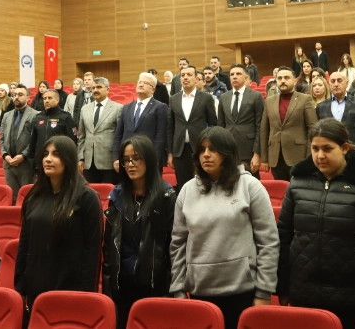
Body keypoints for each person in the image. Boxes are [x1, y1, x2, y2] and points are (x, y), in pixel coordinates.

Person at [170, 126, 279, 329]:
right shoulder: (187, 191)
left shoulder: (251, 186)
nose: (206, 154)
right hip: (199, 293)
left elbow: (269, 242)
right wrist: (177, 289)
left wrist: (264, 291)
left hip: (242, 292)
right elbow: (177, 244)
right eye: (202, 150)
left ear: (227, 153)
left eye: (213, 149)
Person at [276, 120, 355, 329]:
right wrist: (283, 286)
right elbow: (284, 236)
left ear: (345, 148)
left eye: (327, 149)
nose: (320, 156)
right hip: (304, 292)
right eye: (315, 149)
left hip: (352, 296)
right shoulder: (298, 183)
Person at [15, 137, 102, 309]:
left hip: (71, 294)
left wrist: (85, 296)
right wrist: (20, 286)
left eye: (55, 154)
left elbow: (92, 253)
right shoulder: (34, 197)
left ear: (68, 159)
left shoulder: (87, 197)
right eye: (45, 154)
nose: (48, 159)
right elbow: (25, 245)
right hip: (35, 291)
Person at [103, 136, 177, 329]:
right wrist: (109, 286)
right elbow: (109, 247)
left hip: (154, 284)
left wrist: (170, 287)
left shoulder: (166, 195)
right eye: (126, 160)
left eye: (136, 158)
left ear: (149, 159)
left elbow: (172, 245)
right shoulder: (116, 196)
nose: (131, 164)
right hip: (122, 285)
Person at [260, 67, 317, 181]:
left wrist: (309, 157)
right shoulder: (269, 101)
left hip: (298, 156)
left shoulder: (305, 99)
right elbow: (264, 130)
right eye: (279, 78)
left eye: (286, 78)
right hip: (276, 158)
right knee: (281, 189)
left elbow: (313, 128)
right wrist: (264, 158)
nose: (283, 81)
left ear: (295, 81)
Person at [167, 66, 218, 191]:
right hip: (180, 150)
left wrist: (211, 148)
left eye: (189, 75)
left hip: (200, 149)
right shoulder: (173, 99)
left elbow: (213, 125)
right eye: (182, 75)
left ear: (196, 79)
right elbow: (170, 128)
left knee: (202, 184)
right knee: (183, 187)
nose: (185, 77)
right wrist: (170, 153)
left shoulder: (206, 98)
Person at [113, 73, 168, 174]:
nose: (141, 85)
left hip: (148, 158)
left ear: (153, 89)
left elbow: (160, 137)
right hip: (127, 159)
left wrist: (155, 159)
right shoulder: (126, 107)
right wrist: (116, 157)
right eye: (140, 82)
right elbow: (118, 135)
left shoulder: (160, 107)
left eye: (146, 83)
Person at [217, 64, 264, 177]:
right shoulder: (224, 97)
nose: (234, 76)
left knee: (250, 184)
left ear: (246, 78)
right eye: (232, 74)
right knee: (228, 183)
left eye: (238, 74)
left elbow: (260, 127)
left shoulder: (256, 96)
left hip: (248, 150)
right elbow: (220, 126)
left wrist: (257, 154)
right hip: (228, 151)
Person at [77, 77, 122, 184]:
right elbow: (82, 136)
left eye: (99, 87)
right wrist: (81, 158)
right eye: (93, 88)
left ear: (108, 89)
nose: (95, 90)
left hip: (109, 161)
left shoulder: (118, 108)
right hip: (89, 162)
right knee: (90, 192)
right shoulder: (84, 109)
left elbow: (120, 136)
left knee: (110, 192)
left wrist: (117, 158)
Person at [0, 85, 38, 202]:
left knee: (28, 198)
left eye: (20, 95)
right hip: (9, 164)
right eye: (14, 95)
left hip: (26, 164)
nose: (16, 97)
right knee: (12, 199)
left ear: (28, 97)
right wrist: (5, 155)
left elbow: (35, 140)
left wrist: (23, 155)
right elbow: (1, 139)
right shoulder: (6, 115)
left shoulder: (36, 115)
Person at [316, 71, 355, 147]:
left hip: (353, 150)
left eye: (339, 81)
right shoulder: (321, 107)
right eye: (333, 81)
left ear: (346, 83)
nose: (336, 84)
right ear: (329, 85)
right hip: (329, 150)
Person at [28, 88, 78, 166]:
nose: (46, 101)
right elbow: (33, 143)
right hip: (40, 162)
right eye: (44, 98)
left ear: (57, 100)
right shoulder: (37, 118)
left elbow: (72, 141)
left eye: (50, 98)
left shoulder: (65, 117)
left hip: (59, 161)